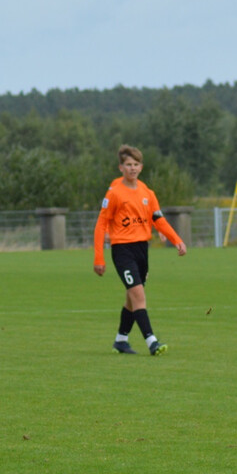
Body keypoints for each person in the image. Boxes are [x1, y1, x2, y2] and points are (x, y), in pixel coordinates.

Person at [93, 145, 187, 356]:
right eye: (128, 165)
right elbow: (101, 225)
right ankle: (152, 342)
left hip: (142, 250)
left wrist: (176, 239)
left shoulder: (147, 193)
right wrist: (99, 257)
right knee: (139, 296)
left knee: (131, 297)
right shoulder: (115, 193)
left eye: (136, 164)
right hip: (122, 250)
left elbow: (158, 219)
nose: (132, 168)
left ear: (141, 167)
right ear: (121, 167)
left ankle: (121, 340)